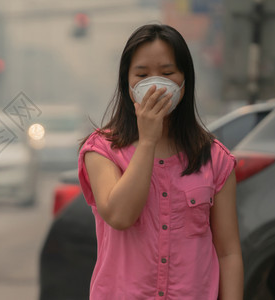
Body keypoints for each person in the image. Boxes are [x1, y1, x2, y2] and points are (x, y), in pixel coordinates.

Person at [78, 24, 243, 299]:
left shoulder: (215, 158)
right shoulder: (102, 149)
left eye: (167, 73)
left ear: (184, 80)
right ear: (127, 85)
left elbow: (228, 253)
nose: (155, 84)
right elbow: (119, 216)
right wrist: (147, 142)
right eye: (142, 75)